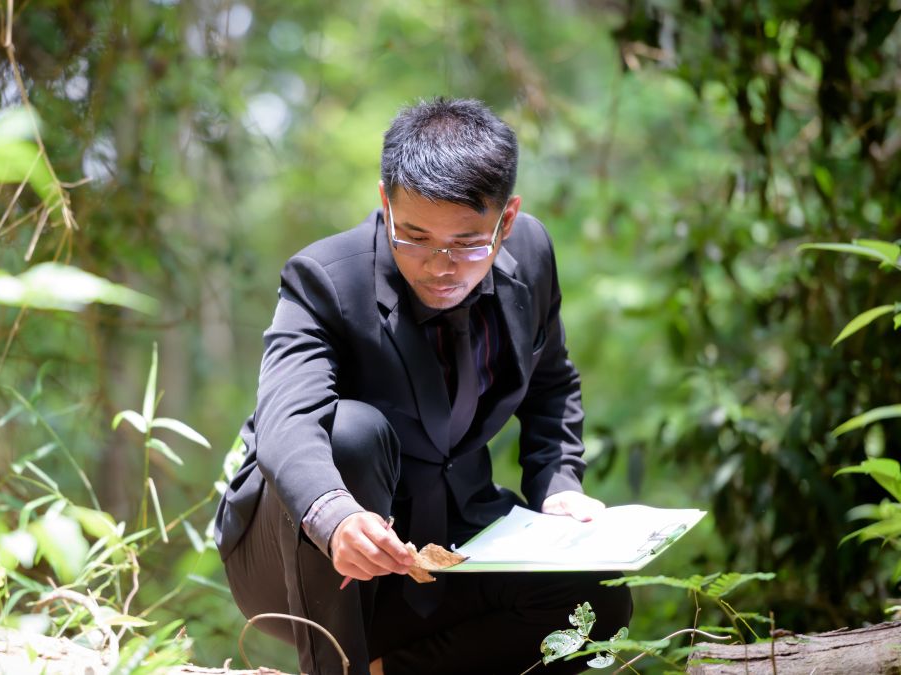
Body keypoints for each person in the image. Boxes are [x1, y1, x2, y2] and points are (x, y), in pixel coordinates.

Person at [214, 98, 633, 675]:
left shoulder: (531, 254)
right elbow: (286, 423)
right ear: (384, 203)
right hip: (309, 557)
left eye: (466, 243)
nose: (441, 265)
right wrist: (334, 515)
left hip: (449, 544)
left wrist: (557, 486)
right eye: (413, 237)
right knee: (350, 433)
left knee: (600, 600)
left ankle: (390, 668)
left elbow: (551, 384)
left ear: (506, 221)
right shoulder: (324, 279)